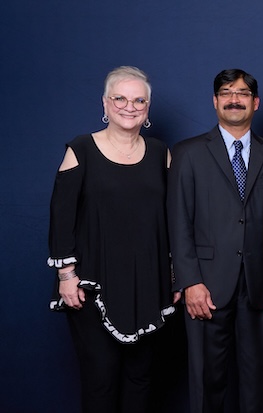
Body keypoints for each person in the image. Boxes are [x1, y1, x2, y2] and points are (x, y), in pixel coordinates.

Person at [47, 65, 172, 413]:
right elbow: (61, 217)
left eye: (139, 100)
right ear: (105, 103)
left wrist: (174, 276)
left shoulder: (161, 152)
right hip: (92, 284)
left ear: (147, 108)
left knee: (141, 378)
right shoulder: (81, 149)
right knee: (100, 379)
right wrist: (66, 276)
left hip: (148, 284)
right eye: (120, 98)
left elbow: (172, 219)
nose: (129, 107)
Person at [167, 68, 263, 413]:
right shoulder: (188, 153)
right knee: (207, 379)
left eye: (242, 93)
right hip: (205, 285)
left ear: (256, 102)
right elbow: (178, 221)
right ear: (215, 101)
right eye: (226, 93)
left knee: (256, 379)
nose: (234, 99)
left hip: (259, 286)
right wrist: (189, 281)